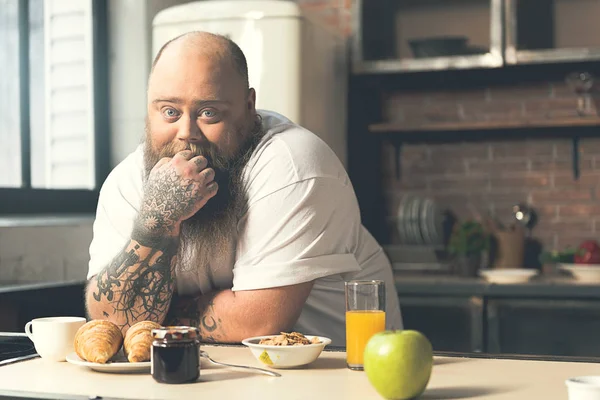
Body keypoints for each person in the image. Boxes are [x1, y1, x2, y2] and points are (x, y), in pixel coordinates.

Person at [85, 31, 402, 346]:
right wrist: (156, 219)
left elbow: (260, 321)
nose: (186, 133)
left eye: (209, 112)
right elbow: (108, 320)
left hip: (337, 378)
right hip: (210, 378)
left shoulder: (292, 163)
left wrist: (154, 318)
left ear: (249, 106)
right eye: (169, 111)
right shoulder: (127, 179)